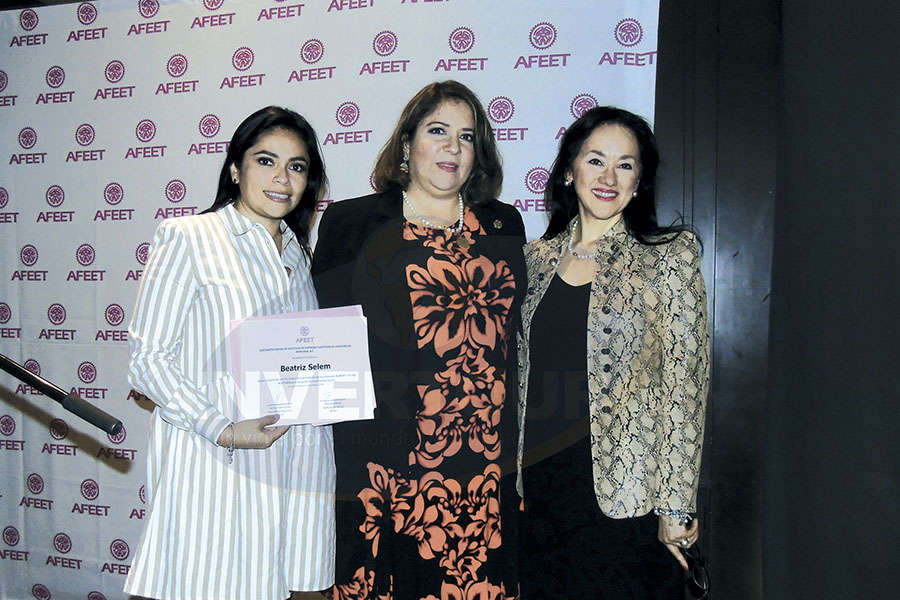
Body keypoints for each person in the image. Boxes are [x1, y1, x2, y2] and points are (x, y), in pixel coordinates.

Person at [312, 81, 525, 600]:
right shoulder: (353, 222)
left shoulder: (504, 223)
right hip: (385, 456)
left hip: (481, 459)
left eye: (466, 136)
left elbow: (515, 338)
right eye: (437, 131)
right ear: (407, 145)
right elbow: (319, 334)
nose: (452, 147)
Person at [125, 106, 335, 600]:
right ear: (236, 169)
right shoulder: (190, 238)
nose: (282, 178)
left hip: (298, 465)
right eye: (266, 161)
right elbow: (147, 360)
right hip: (216, 465)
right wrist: (219, 427)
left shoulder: (297, 256)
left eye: (297, 166)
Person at [516, 106, 710, 598]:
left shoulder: (667, 256)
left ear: (640, 181)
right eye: (595, 160)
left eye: (625, 165)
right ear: (568, 170)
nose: (608, 177)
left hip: (626, 494)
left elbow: (683, 390)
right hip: (540, 488)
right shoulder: (533, 260)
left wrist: (676, 506)